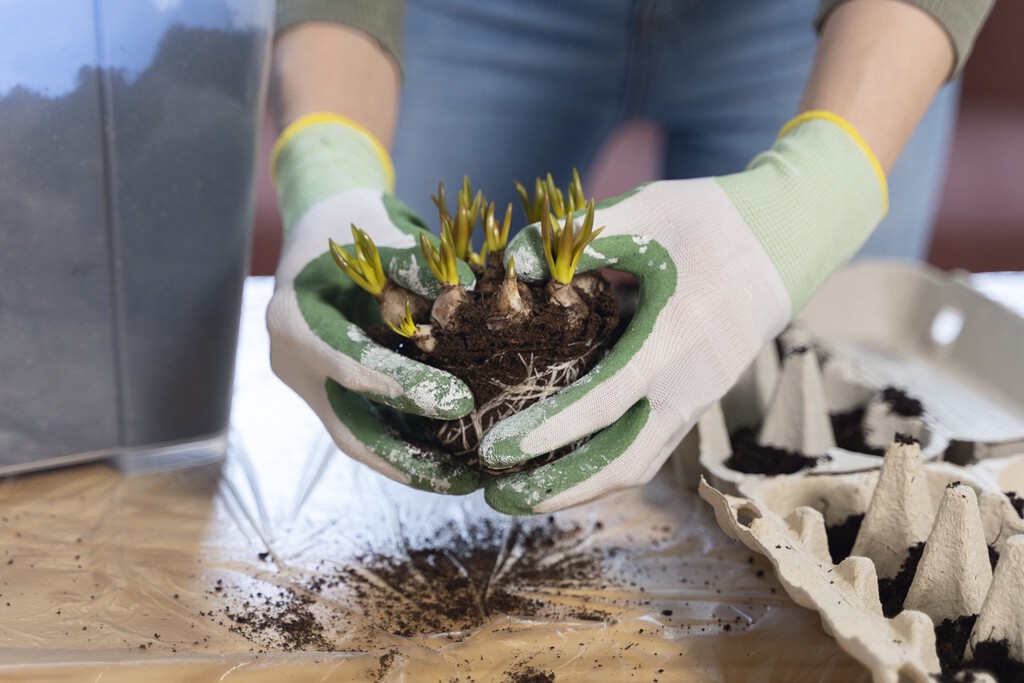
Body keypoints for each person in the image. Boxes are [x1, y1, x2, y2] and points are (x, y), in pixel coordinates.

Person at [266, 0, 993, 514]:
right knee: (395, 366)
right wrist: (327, 164)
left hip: (802, 21)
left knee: (812, 413)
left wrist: (827, 179)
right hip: (474, 13)